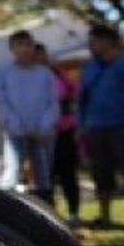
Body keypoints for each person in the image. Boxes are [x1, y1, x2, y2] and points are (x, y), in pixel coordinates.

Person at [78, 22, 124, 228]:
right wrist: (82, 124)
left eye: (95, 41)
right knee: (101, 173)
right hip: (96, 127)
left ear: (108, 42)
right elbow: (82, 97)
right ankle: (104, 217)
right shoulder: (89, 67)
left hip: (122, 127)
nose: (92, 45)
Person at [0, 29, 59, 203]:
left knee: (43, 173)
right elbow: (1, 102)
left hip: (41, 133)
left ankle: (46, 211)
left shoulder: (44, 73)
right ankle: (4, 207)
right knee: (12, 171)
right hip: (15, 132)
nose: (25, 49)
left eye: (28, 44)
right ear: (12, 49)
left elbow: (52, 102)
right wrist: (17, 126)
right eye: (20, 45)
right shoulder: (4, 73)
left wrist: (43, 127)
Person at [35, 43, 81, 226]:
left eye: (41, 55)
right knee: (46, 175)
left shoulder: (58, 74)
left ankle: (74, 213)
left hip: (64, 131)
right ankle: (49, 214)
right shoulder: (31, 78)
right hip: (42, 134)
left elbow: (74, 92)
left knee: (67, 173)